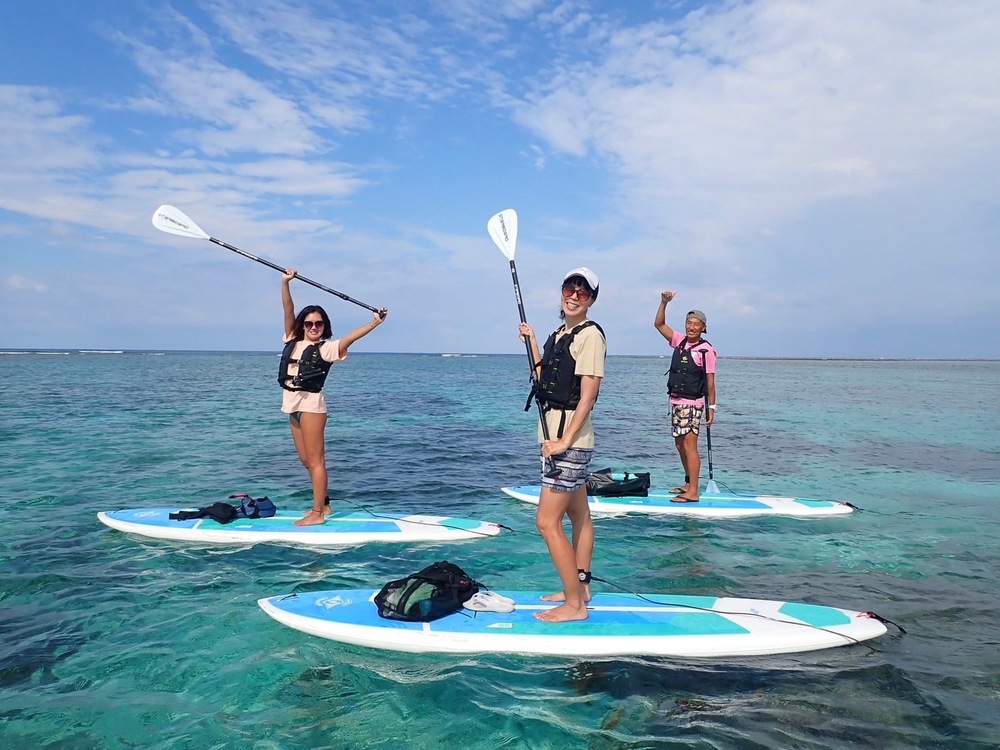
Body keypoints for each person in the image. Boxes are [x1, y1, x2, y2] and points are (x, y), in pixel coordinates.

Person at [518, 268, 606, 622]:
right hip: (555, 438)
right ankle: (580, 589)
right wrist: (532, 342)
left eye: (582, 292)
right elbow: (545, 379)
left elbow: (588, 397)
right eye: (570, 289)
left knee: (546, 522)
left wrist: (564, 441)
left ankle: (574, 606)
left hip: (569, 441)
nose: (574, 296)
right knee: (578, 514)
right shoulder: (560, 334)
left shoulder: (591, 336)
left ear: (591, 300)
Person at [279, 269, 388, 526]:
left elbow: (351, 337)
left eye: (318, 324)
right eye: (309, 323)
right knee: (306, 460)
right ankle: (325, 504)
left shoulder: (328, 349)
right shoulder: (292, 339)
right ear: (302, 325)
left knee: (316, 460)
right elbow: (288, 309)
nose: (313, 327)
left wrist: (375, 322)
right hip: (291, 405)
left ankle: (317, 513)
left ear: (324, 326)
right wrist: (285, 283)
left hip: (312, 407)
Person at [654, 291, 716, 502]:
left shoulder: (706, 350)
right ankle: (689, 482)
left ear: (703, 328)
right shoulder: (679, 341)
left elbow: (710, 381)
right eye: (689, 323)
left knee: (690, 446)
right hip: (677, 402)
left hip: (693, 403)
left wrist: (712, 408)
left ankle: (694, 492)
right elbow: (659, 324)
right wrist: (664, 302)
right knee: (680, 444)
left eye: (696, 324)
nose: (691, 327)